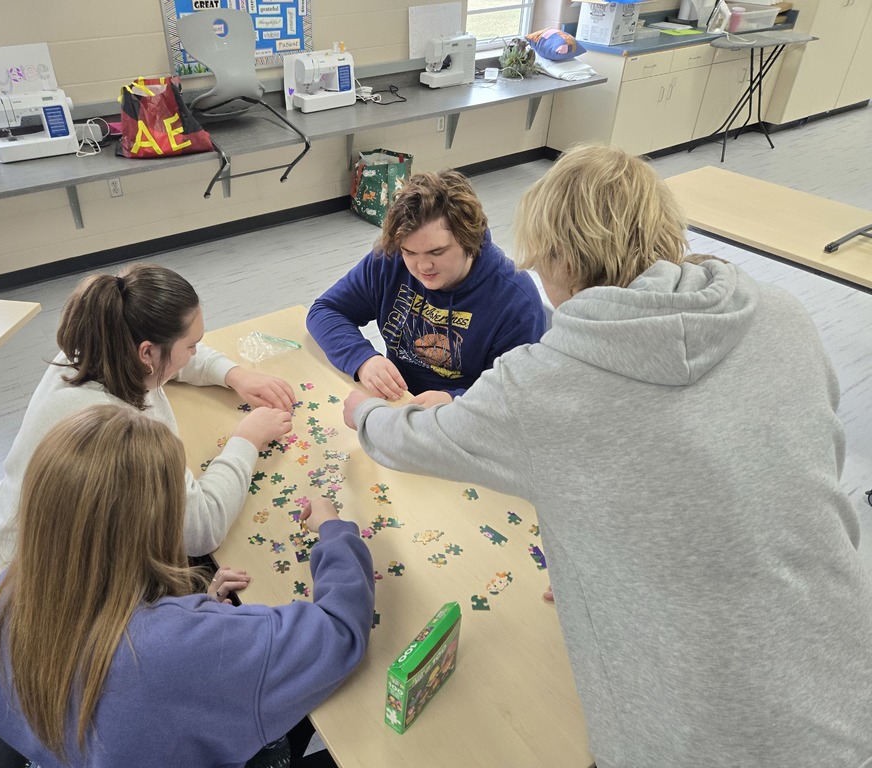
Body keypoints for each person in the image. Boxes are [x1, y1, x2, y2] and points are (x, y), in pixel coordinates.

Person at [342, 145, 872, 767]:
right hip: (846, 673)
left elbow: (410, 441)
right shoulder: (781, 312)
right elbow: (781, 473)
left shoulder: (544, 382)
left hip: (699, 736)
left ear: (561, 259)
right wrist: (602, 555)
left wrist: (363, 412)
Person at [0, 404, 375, 767]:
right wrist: (333, 529)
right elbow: (341, 631)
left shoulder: (11, 589)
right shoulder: (178, 647)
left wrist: (194, 608)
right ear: (156, 524)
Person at [0, 263, 296, 595]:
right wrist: (248, 439)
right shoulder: (117, 433)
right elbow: (203, 527)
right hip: (41, 596)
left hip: (20, 547)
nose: (195, 353)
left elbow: (173, 355)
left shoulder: (98, 346)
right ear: (147, 353)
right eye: (191, 345)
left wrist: (234, 375)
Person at [307, 169, 547, 408]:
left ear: (469, 238)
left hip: (469, 420)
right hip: (398, 404)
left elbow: (515, 396)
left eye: (437, 252)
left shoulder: (515, 300)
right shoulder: (390, 260)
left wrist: (455, 400)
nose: (423, 267)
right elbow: (325, 310)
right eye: (409, 252)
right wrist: (363, 359)